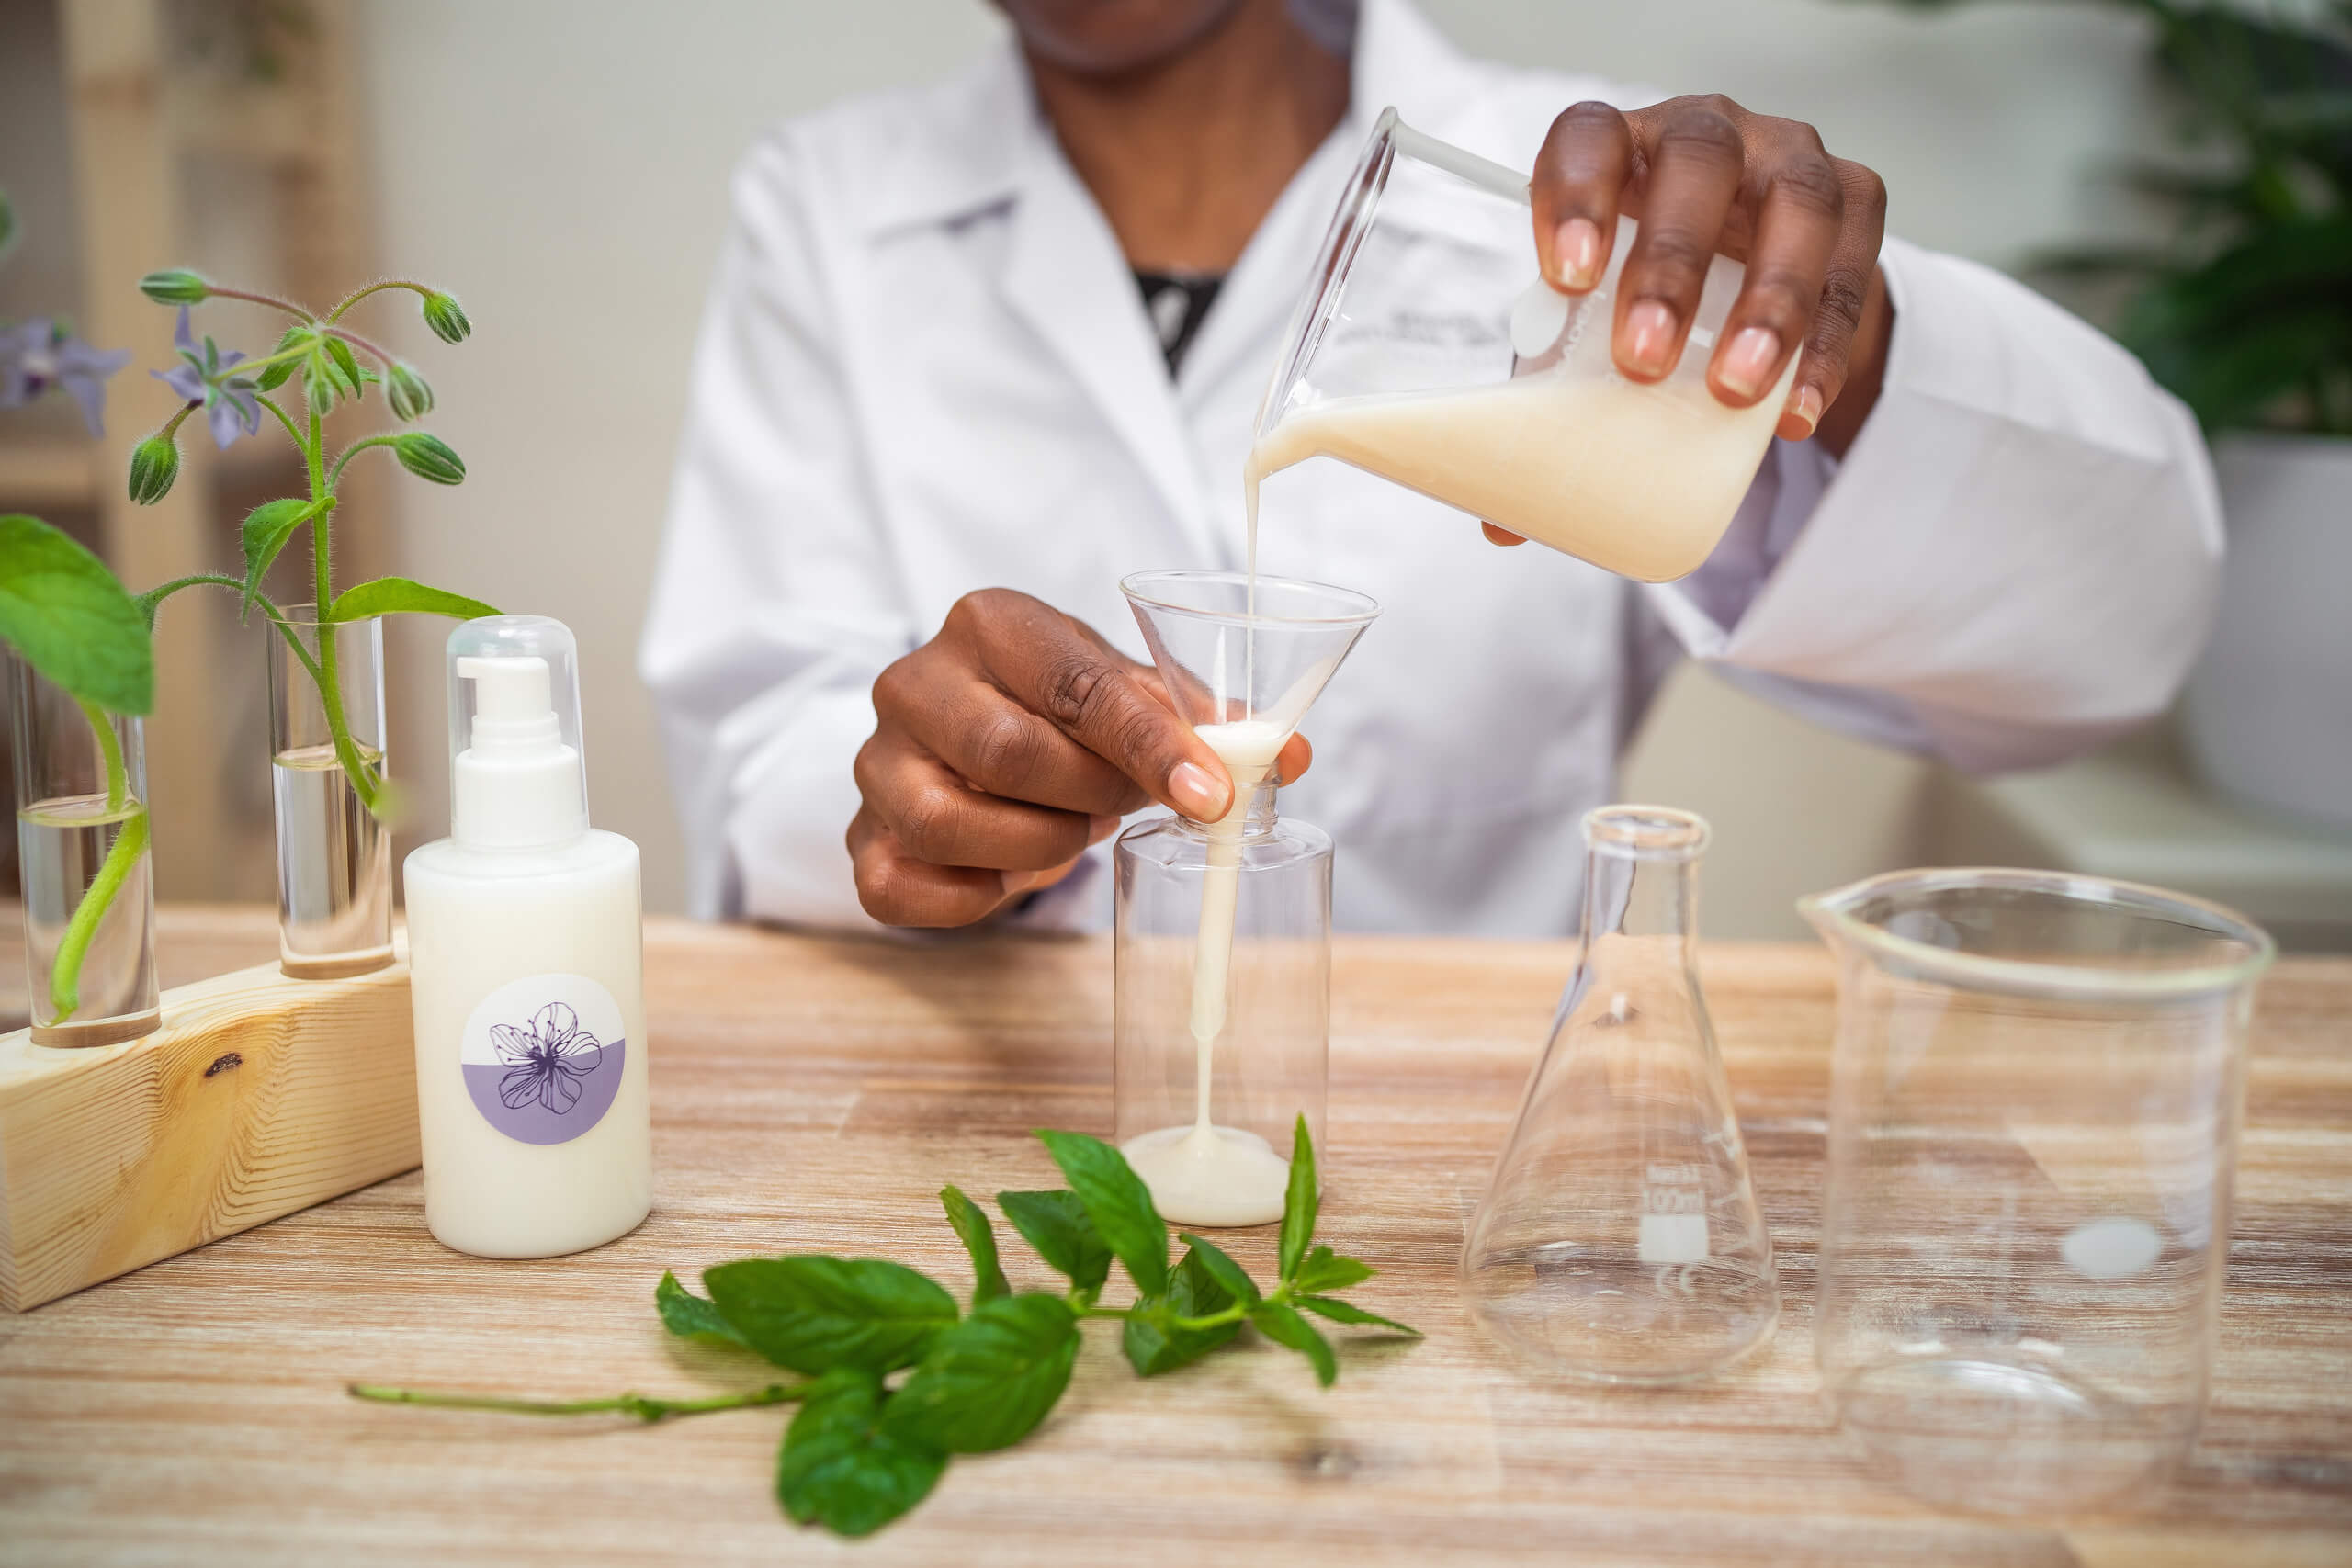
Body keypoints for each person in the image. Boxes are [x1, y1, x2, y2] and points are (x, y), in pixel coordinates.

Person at [640, 0, 2219, 935]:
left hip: (1449, 1191)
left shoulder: (1591, 209)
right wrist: (928, 791)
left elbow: (2114, 638)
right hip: (997, 1135)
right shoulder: (833, 208)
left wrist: (1850, 370)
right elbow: (756, 751)